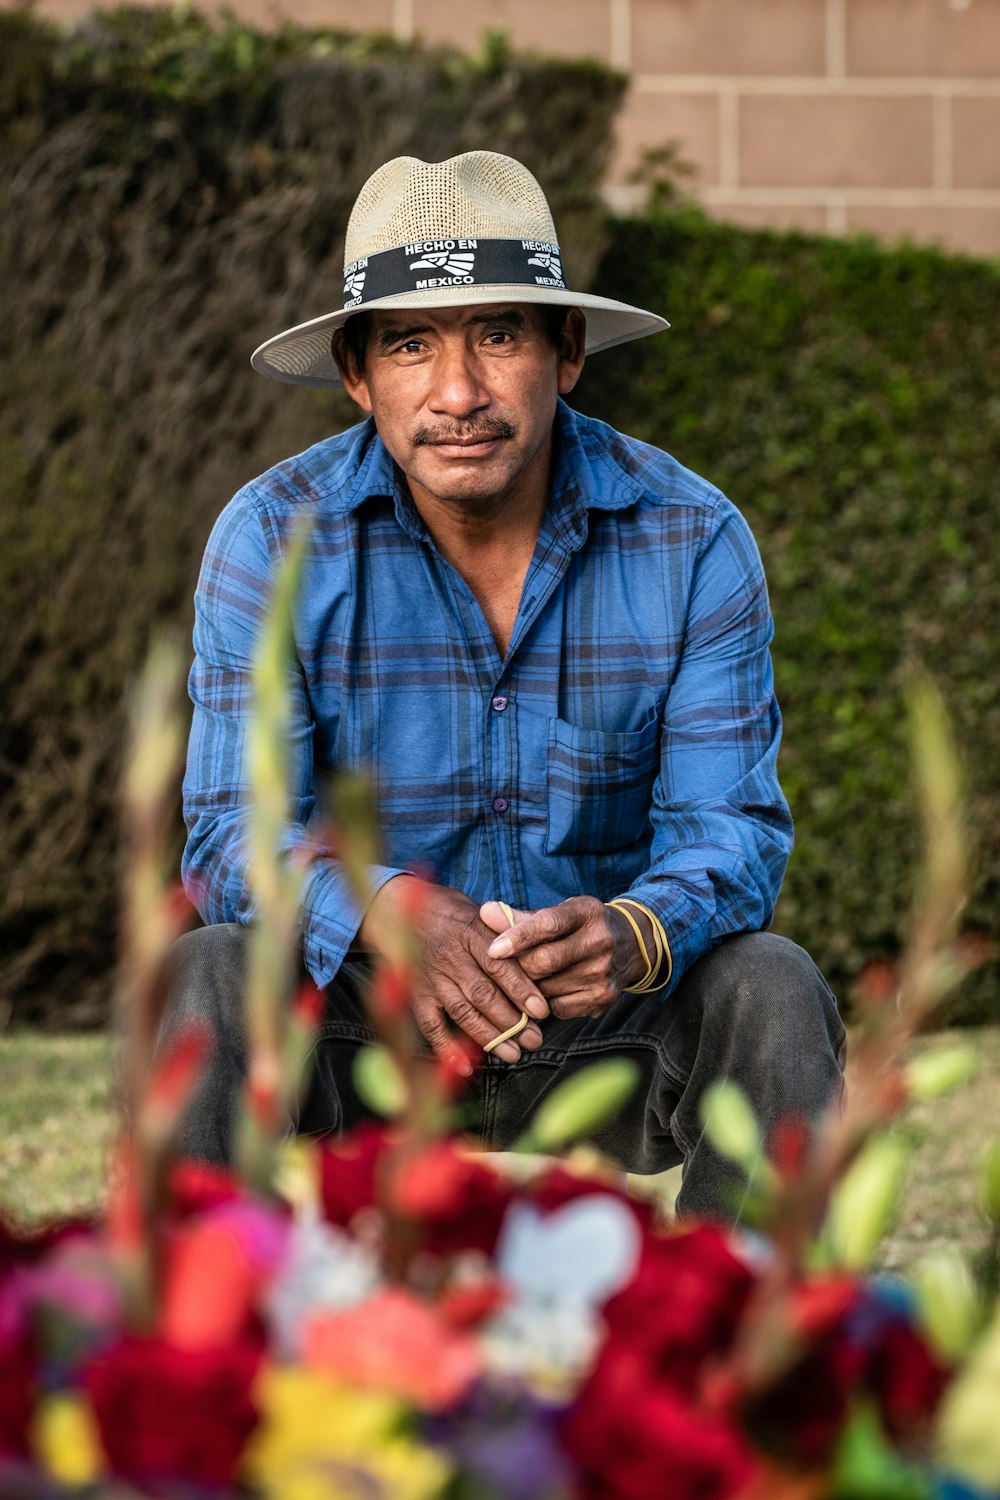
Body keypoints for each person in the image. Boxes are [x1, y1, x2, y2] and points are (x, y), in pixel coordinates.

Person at [171, 150, 845, 1221]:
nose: (458, 393)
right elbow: (228, 835)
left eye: (498, 335)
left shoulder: (691, 537)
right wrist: (385, 911)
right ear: (357, 373)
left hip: (603, 1021)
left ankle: (743, 1348)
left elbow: (734, 832)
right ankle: (189, 1354)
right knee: (205, 970)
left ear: (565, 349)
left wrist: (635, 931)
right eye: (409, 345)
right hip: (367, 1020)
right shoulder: (271, 538)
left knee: (774, 983)